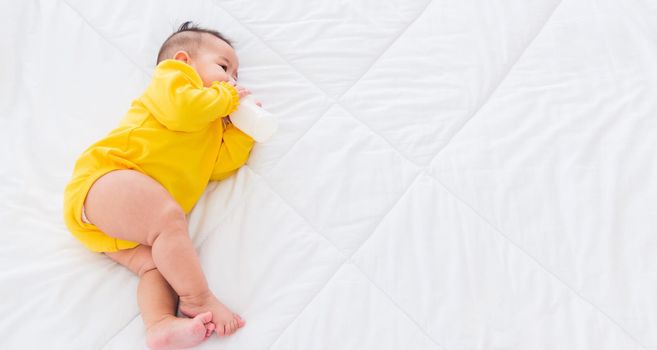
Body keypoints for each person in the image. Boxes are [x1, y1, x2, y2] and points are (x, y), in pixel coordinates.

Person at [63, 21, 256, 349]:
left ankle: (160, 323)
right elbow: (183, 110)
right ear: (183, 61)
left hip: (117, 224)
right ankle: (198, 297)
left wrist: (241, 132)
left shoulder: (209, 124)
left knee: (156, 265)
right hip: (106, 180)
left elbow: (218, 167)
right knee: (168, 218)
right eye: (224, 67)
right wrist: (224, 99)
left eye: (235, 76)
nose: (232, 81)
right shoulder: (173, 81)